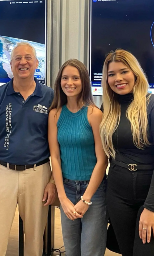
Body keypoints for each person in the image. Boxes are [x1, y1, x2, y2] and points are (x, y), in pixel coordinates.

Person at [100, 49, 154, 256]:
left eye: (124, 72)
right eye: (111, 74)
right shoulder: (108, 108)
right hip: (120, 196)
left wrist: (151, 207)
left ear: (136, 74)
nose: (118, 79)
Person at [0, 42, 56, 256]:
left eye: (28, 57)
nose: (23, 62)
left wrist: (52, 181)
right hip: (3, 172)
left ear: (36, 63)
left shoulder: (50, 97)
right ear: (11, 65)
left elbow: (57, 144)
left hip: (38, 173)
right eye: (18, 58)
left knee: (34, 240)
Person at [48, 59, 108, 256]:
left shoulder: (94, 114)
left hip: (93, 191)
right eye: (65, 78)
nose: (69, 83)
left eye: (75, 78)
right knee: (72, 250)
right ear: (59, 82)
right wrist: (63, 198)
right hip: (67, 188)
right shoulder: (55, 115)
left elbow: (102, 160)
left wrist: (86, 199)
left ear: (84, 82)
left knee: (91, 251)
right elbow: (55, 157)